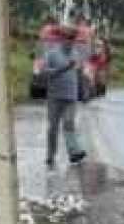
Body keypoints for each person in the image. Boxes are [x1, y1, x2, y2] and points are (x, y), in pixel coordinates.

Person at [38, 20, 89, 167]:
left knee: (69, 123)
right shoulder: (52, 54)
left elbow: (79, 73)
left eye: (72, 39)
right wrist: (64, 68)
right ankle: (50, 155)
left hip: (71, 97)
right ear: (62, 39)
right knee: (53, 127)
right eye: (67, 38)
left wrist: (83, 90)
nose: (70, 42)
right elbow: (44, 73)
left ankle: (74, 152)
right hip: (54, 97)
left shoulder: (76, 54)